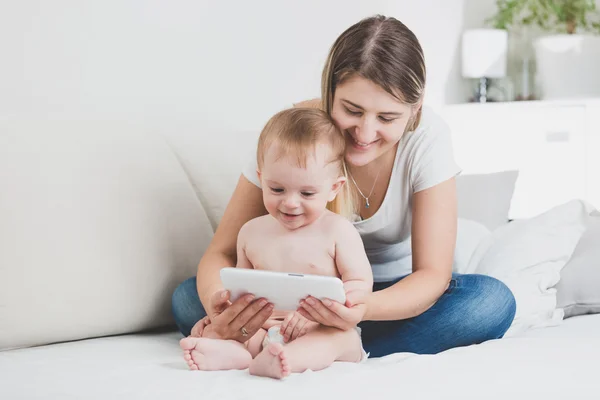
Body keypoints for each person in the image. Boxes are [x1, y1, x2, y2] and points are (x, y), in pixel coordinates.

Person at [171, 14, 516, 359]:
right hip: (294, 300)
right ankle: (316, 346)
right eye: (352, 110)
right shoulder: (292, 134)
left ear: (415, 109)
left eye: (387, 118)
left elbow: (432, 275)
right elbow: (221, 252)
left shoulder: (427, 140)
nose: (365, 135)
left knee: (490, 302)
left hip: (387, 298)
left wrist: (359, 308)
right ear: (329, 92)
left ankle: (317, 345)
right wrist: (226, 310)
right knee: (188, 299)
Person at [180, 108, 372, 379]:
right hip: (263, 328)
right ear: (261, 179)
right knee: (234, 333)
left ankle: (287, 359)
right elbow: (241, 289)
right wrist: (224, 311)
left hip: (319, 327)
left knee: (341, 339)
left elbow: (359, 284)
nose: (290, 202)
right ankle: (233, 354)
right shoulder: (250, 232)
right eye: (277, 189)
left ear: (334, 188)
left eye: (307, 192)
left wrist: (324, 314)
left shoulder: (339, 231)